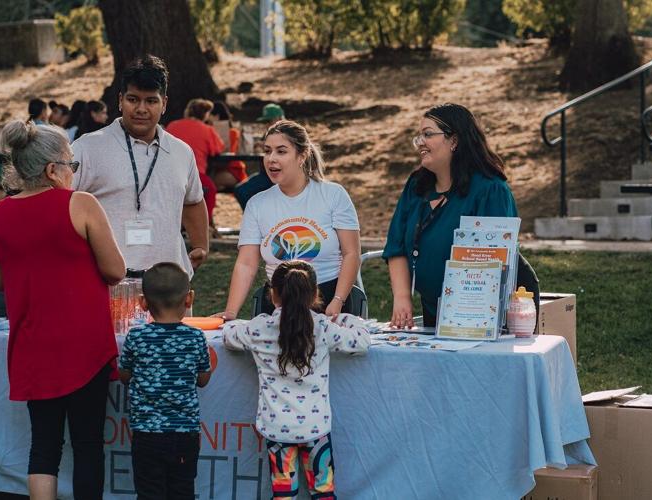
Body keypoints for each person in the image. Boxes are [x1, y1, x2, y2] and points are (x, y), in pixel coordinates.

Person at [0, 120, 126, 499]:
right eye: (72, 165)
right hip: (84, 345)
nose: (72, 173)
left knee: (43, 447)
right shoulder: (80, 204)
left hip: (32, 343)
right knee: (88, 443)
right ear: (52, 169)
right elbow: (116, 271)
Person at [222, 260, 370, 499]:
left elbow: (229, 336)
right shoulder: (322, 327)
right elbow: (361, 342)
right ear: (314, 295)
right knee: (323, 491)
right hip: (315, 428)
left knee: (284, 494)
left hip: (276, 428)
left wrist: (242, 321)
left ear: (273, 294)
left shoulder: (260, 328)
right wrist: (349, 319)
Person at [72, 54, 209, 278]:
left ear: (164, 103)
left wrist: (201, 245)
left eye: (151, 101)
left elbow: (193, 200)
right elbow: (62, 204)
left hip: (169, 284)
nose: (141, 109)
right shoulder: (87, 147)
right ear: (119, 100)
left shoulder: (181, 152)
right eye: (133, 99)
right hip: (106, 281)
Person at [384, 103, 518, 328]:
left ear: (454, 141)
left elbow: (494, 261)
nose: (421, 143)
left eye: (427, 134)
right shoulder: (416, 186)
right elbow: (396, 247)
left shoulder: (490, 191)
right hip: (431, 313)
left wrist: (464, 314)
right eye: (419, 137)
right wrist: (402, 298)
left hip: (477, 316)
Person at [217, 120, 361, 320]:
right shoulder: (257, 204)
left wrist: (337, 301)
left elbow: (351, 253)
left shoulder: (333, 195)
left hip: (328, 302)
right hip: (277, 305)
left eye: (281, 151)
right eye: (267, 151)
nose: (271, 159)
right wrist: (230, 313)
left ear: (302, 156)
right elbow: (246, 263)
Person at [119, 262, 212, 499]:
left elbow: (124, 375)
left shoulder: (136, 336)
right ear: (189, 299)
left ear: (143, 302)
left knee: (149, 492)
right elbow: (202, 380)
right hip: (184, 435)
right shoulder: (196, 337)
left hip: (146, 435)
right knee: (182, 491)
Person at [165, 98, 225, 221]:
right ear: (205, 115)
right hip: (196, 175)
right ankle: (206, 223)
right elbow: (218, 149)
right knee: (210, 189)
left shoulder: (172, 126)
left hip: (170, 175)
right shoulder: (207, 130)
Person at [233, 103, 285, 209]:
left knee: (242, 191)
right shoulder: (269, 133)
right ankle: (255, 219)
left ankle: (255, 220)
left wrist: (266, 147)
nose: (267, 125)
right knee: (240, 190)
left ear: (280, 118)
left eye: (269, 121)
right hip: (266, 174)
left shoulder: (286, 133)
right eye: (265, 122)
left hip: (279, 176)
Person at [208, 100, 248, 190]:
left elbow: (229, 153)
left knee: (206, 183)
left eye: (209, 116)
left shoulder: (233, 133)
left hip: (232, 171)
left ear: (216, 116)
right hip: (218, 169)